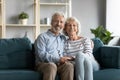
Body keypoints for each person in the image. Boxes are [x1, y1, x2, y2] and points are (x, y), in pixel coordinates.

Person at [34, 12, 74, 80]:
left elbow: (74, 37)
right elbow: (41, 55)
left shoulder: (63, 38)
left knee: (69, 65)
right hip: (44, 64)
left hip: (59, 65)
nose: (58, 24)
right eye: (56, 21)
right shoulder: (42, 37)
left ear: (63, 25)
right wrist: (58, 59)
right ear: (51, 22)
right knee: (51, 66)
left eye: (61, 22)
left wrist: (88, 40)